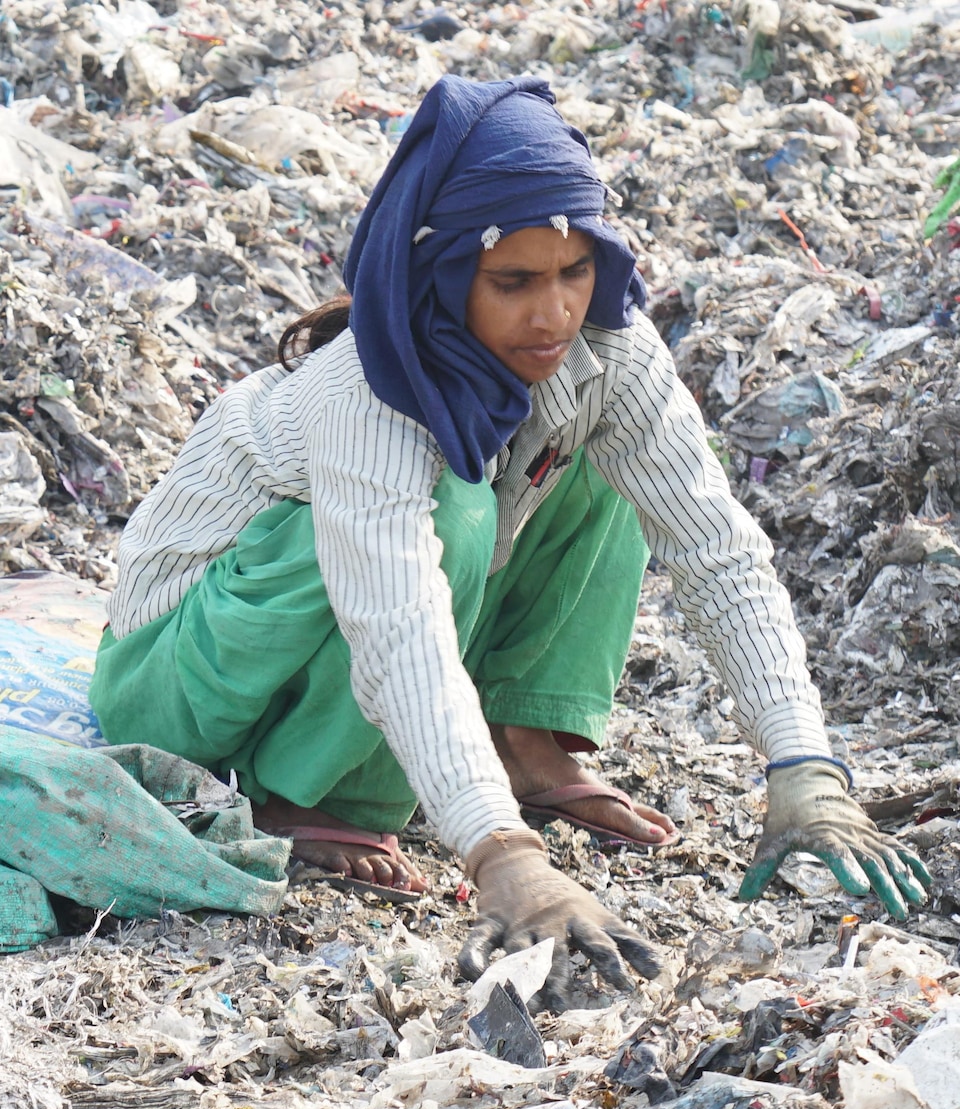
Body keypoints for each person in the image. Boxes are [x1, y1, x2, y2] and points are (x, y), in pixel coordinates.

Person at [89, 74, 930, 1003]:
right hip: (185, 684)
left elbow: (714, 545)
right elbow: (397, 625)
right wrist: (503, 855)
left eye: (573, 273)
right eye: (514, 282)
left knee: (607, 469)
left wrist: (803, 764)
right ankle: (304, 788)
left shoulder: (605, 352)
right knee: (459, 506)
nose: (553, 313)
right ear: (444, 277)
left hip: (358, 626)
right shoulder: (369, 397)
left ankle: (520, 736)